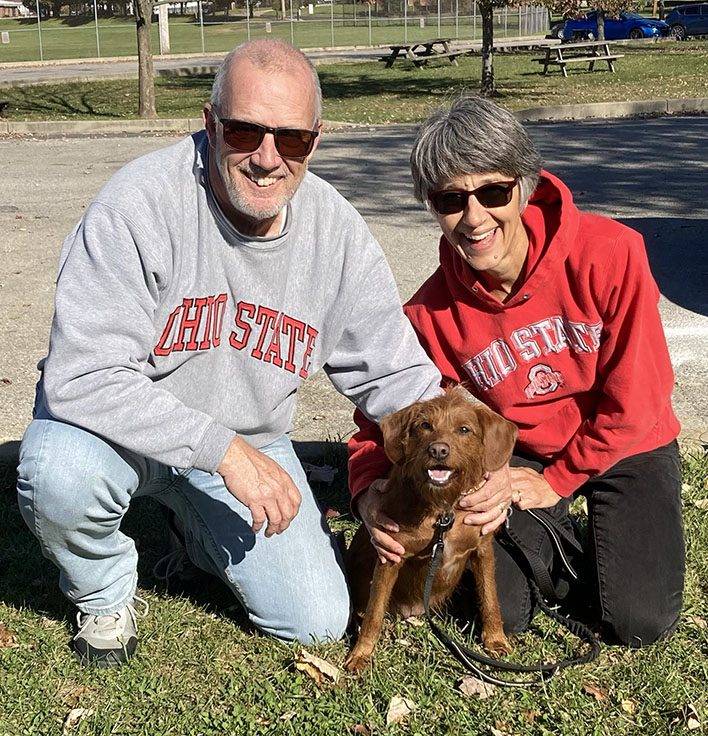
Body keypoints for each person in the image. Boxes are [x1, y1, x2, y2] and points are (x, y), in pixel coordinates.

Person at [16, 39, 445, 667]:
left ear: (315, 140)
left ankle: (190, 531)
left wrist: (468, 465)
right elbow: (82, 377)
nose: (268, 159)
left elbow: (395, 374)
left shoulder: (336, 232)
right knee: (57, 473)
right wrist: (222, 451)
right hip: (121, 436)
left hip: (251, 441)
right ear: (210, 123)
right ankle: (104, 590)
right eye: (246, 131)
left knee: (319, 622)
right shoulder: (138, 205)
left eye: (291, 139)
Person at [349, 93, 685, 647]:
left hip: (625, 440)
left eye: (493, 191)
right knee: (505, 604)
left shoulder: (614, 253)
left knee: (637, 622)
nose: (474, 217)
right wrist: (367, 493)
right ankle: (559, 541)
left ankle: (593, 536)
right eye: (450, 199)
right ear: (431, 207)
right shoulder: (428, 315)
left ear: (524, 186)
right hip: (517, 452)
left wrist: (555, 481)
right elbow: (376, 425)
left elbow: (638, 398)